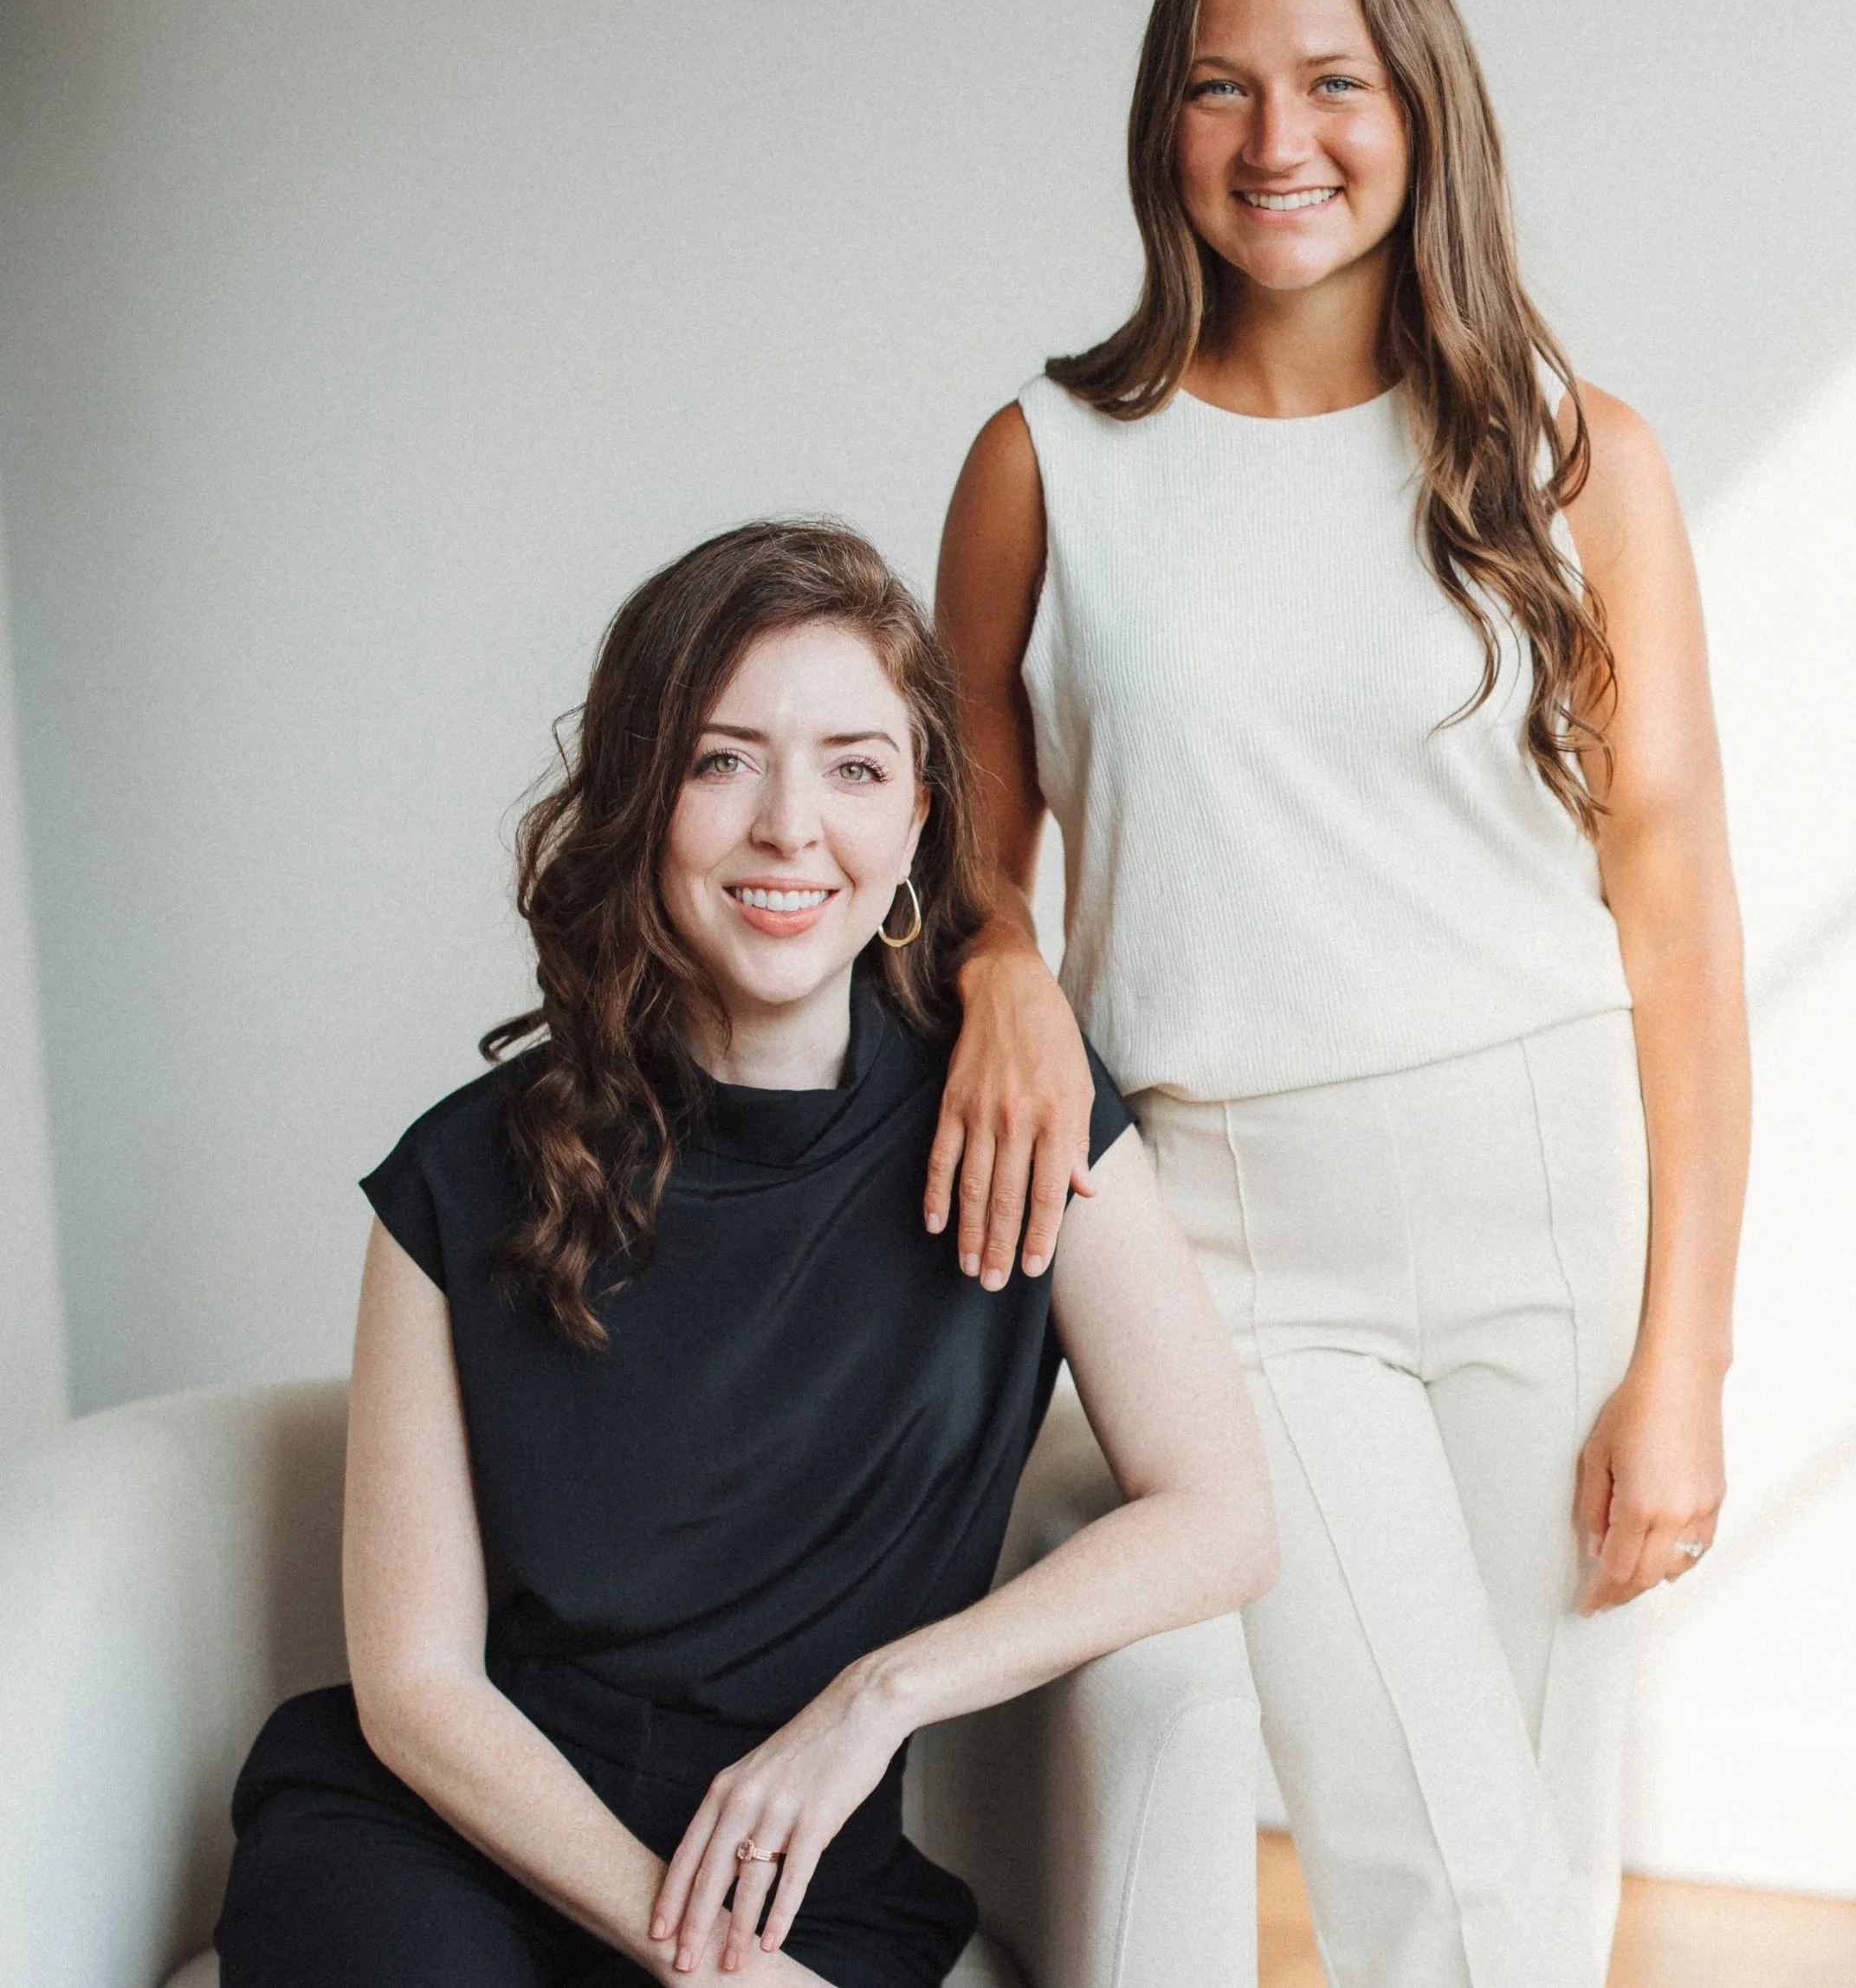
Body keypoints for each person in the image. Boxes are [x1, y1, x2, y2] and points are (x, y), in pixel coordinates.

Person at [928, 0, 1748, 1988]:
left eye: (1330, 81)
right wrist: (1002, 956)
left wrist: (1684, 1354)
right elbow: (961, 847)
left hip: (1547, 1197)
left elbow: (1675, 935)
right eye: (1218, 87)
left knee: (1533, 1858)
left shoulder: (1579, 460)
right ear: (1157, 123)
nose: (1274, 142)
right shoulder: (1047, 465)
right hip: (1221, 1228)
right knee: (1428, 1868)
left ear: (1421, 103)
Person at [213, 520, 1275, 1988]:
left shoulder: (1027, 1114)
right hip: (454, 1837)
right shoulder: (463, 1172)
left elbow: (1222, 1514)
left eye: (854, 766)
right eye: (722, 761)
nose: (790, 827)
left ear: (916, 822)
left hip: (799, 1879)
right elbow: (415, 1692)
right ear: (643, 802)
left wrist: (881, 1694)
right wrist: (696, 1951)